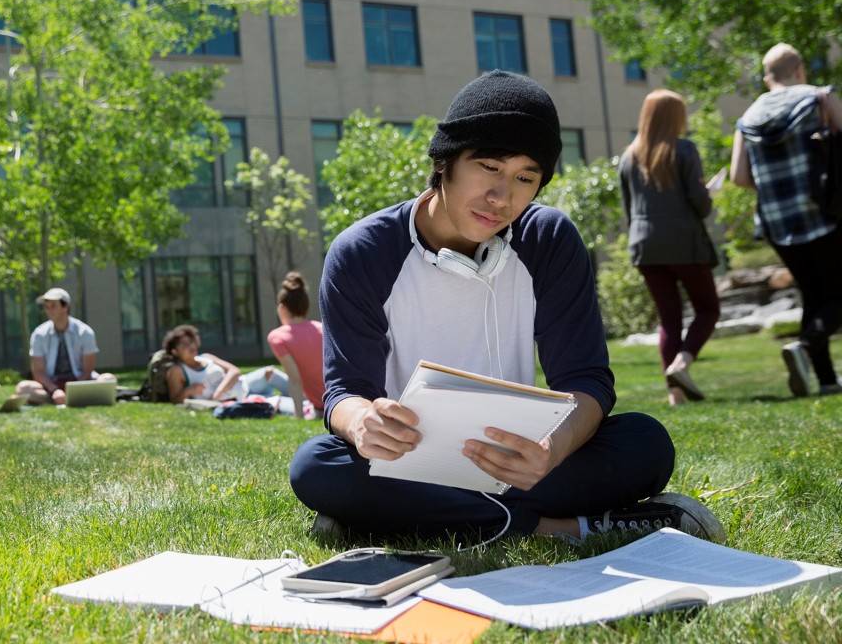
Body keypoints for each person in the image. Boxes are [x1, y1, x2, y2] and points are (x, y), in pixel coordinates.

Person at [289, 70, 724, 545]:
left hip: (518, 463)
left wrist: (550, 449)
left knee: (646, 442)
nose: (501, 198)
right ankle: (553, 528)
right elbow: (345, 392)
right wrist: (364, 423)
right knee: (317, 466)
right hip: (404, 462)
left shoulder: (549, 239)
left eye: (524, 178)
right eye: (489, 168)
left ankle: (386, 518)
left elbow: (586, 380)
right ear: (444, 160)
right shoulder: (361, 251)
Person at [731, 43, 842, 398]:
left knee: (814, 293)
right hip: (824, 210)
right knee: (832, 293)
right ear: (800, 70)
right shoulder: (819, 97)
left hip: (778, 223)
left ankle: (825, 380)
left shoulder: (747, 118)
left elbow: (738, 176)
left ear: (767, 79)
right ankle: (807, 343)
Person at [618, 90, 722, 405]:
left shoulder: (627, 157)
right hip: (683, 244)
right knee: (708, 308)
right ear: (674, 117)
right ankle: (682, 364)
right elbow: (700, 206)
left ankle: (675, 394)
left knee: (670, 318)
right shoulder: (684, 150)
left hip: (645, 247)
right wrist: (709, 192)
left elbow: (628, 209)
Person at [16, 287, 113, 405]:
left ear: (66, 306)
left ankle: (71, 397)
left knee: (108, 379)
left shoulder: (84, 332)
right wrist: (55, 390)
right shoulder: (39, 334)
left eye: (53, 306)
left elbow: (87, 370)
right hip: (51, 384)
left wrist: (74, 389)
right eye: (46, 307)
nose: (49, 310)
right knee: (23, 388)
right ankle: (64, 399)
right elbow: (38, 371)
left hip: (80, 382)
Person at [265, 272, 326, 418]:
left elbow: (295, 380)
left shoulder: (278, 337)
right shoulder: (323, 328)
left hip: (321, 408)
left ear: (282, 308)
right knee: (272, 377)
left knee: (270, 399)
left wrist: (299, 416)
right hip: (341, 401)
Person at [162, 324, 244, 403]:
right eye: (184, 344)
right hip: (237, 397)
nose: (191, 346)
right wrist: (188, 391)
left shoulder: (206, 357)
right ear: (175, 352)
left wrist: (218, 392)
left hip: (244, 385)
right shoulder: (177, 370)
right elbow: (175, 400)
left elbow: (235, 371)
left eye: (191, 341)